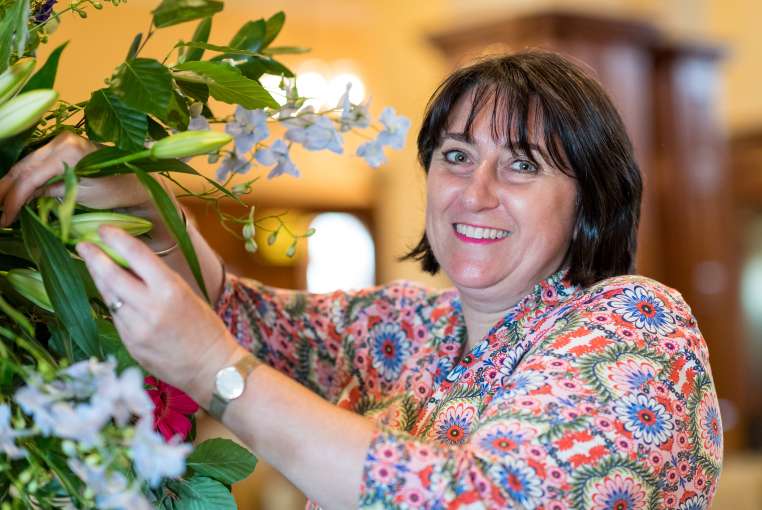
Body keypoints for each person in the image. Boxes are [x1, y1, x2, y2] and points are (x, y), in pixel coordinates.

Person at [0, 51, 723, 509]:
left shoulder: (634, 323)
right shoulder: (409, 327)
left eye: (522, 164)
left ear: (591, 200)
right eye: (455, 155)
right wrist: (151, 215)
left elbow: (482, 500)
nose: (474, 193)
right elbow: (241, 315)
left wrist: (221, 373)